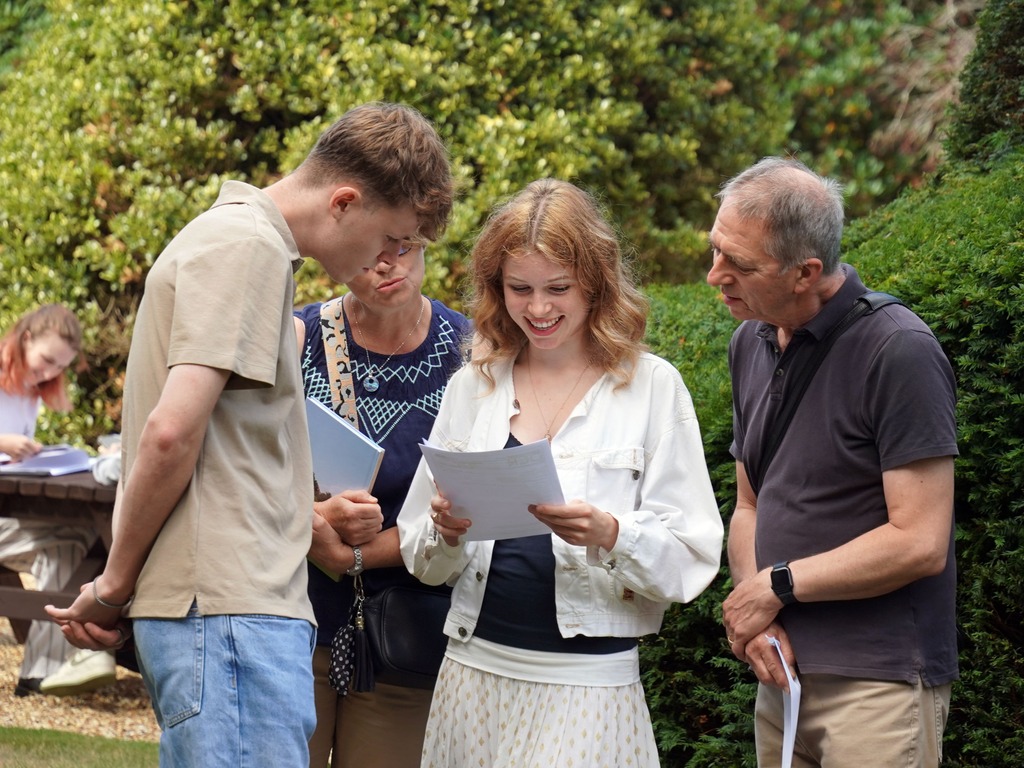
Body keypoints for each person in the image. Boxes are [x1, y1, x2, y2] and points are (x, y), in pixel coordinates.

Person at [46, 102, 454, 767]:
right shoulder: (248, 248)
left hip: (231, 612)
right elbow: (172, 433)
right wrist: (114, 586)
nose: (387, 261)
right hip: (231, 614)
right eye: (390, 238)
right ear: (345, 201)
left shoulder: (242, 244)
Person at [397, 178, 724, 767]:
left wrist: (612, 534)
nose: (538, 309)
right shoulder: (473, 385)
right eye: (519, 288)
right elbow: (422, 557)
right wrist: (445, 531)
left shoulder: (651, 387)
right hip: (473, 672)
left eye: (558, 289)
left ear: (595, 283)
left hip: (588, 684)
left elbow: (692, 556)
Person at [710, 157, 958, 767]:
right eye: (716, 250)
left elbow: (921, 540)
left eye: (739, 265)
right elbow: (750, 504)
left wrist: (778, 584)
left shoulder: (899, 350)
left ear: (806, 272)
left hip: (880, 684)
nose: (715, 275)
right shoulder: (752, 340)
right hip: (783, 674)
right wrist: (757, 612)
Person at [294, 234, 470, 768]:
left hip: (406, 630)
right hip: (294, 621)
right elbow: (244, 470)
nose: (386, 265)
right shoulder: (298, 337)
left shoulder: (471, 352)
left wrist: (357, 555)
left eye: (403, 246)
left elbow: (473, 506)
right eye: (367, 250)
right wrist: (314, 519)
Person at [0, 303, 117, 698]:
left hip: (8, 511)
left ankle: (41, 675)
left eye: (59, 367)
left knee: (79, 539)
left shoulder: (29, 391)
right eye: (47, 360)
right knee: (78, 539)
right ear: (26, 338)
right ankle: (47, 670)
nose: (50, 372)